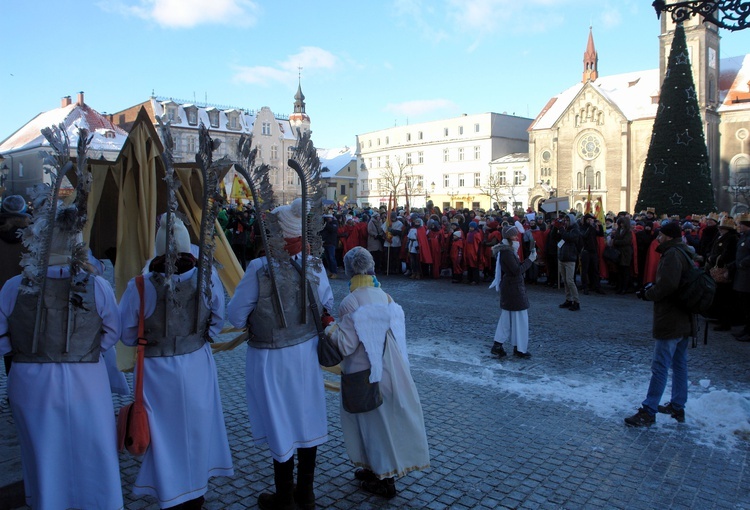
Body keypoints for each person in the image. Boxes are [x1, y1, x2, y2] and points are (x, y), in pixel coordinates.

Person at [0, 204, 124, 509]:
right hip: (87, 380)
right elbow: (112, 331)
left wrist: (22, 355)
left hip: (31, 382)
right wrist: (86, 349)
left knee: (44, 453)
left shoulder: (14, 286)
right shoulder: (99, 285)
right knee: (92, 450)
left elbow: (1, 336)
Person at [119, 215, 234, 509]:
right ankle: (195, 491)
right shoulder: (208, 278)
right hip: (196, 362)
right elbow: (218, 323)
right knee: (196, 427)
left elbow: (127, 333)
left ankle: (172, 491)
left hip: (158, 370)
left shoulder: (140, 285)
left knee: (165, 436)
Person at [227, 198, 334, 510]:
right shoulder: (314, 263)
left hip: (271, 357)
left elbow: (234, 317)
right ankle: (306, 493)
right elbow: (327, 305)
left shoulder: (259, 267)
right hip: (306, 351)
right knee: (306, 416)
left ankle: (286, 497)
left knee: (280, 420)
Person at [325, 247, 430, 498]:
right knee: (383, 425)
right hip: (390, 371)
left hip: (364, 375)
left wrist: (329, 327)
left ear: (350, 270)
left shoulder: (351, 300)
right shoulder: (385, 295)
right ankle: (374, 469)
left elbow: (346, 345)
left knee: (372, 427)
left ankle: (384, 480)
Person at [626, 221, 694, 427]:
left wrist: (649, 293)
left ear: (668, 236)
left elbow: (668, 285)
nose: (658, 238)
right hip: (683, 316)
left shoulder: (673, 254)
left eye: (661, 235)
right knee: (679, 363)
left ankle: (649, 409)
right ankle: (677, 405)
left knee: (661, 365)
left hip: (672, 317)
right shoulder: (684, 252)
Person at [489, 225, 537, 359]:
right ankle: (519, 348)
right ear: (510, 237)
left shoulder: (507, 250)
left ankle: (500, 345)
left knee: (507, 318)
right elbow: (517, 270)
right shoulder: (507, 252)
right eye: (515, 235)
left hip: (511, 287)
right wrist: (530, 260)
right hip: (513, 288)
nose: (517, 237)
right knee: (520, 319)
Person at [0, 195, 31, 377]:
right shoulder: (34, 236)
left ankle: (12, 381)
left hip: (2, 296)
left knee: (6, 339)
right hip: (27, 295)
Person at [728, 213, 750, 342]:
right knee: (744, 304)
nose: (739, 226)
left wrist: (743, 263)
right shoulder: (743, 237)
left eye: (741, 224)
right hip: (741, 274)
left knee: (748, 304)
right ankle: (746, 329)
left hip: (747, 275)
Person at [558, 214, 582, 311]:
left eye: (567, 220)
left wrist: (561, 229)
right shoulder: (566, 229)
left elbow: (568, 237)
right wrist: (556, 228)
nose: (566, 222)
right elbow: (557, 238)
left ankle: (576, 301)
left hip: (570, 258)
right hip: (563, 257)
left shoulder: (575, 230)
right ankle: (568, 299)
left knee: (570, 281)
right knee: (565, 280)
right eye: (565, 220)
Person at [321, 213, 339, 278]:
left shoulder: (334, 223)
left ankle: (334, 272)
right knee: (328, 259)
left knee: (332, 258)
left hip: (331, 243)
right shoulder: (324, 224)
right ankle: (331, 272)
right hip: (325, 242)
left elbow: (332, 229)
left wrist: (326, 223)